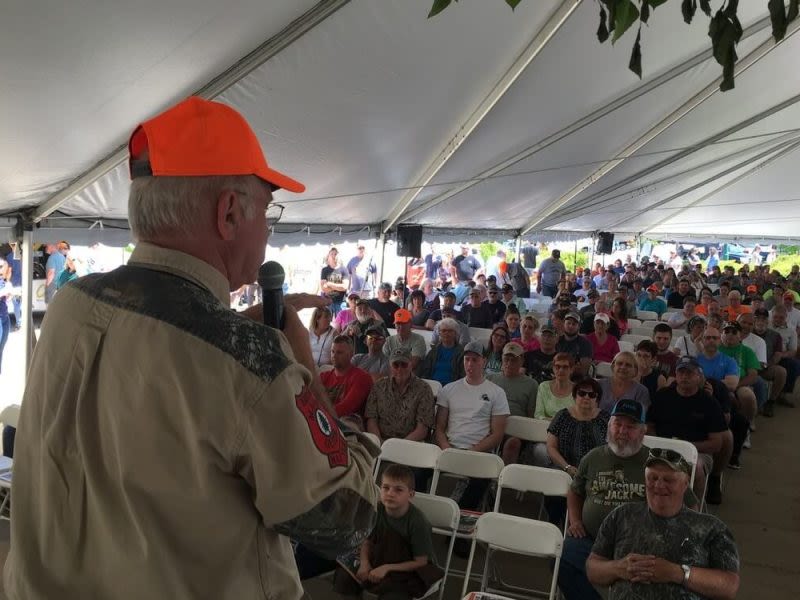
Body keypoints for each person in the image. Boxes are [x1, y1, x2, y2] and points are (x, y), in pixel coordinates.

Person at [4, 97, 378, 599]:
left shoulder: (71, 306)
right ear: (228, 213)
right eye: (267, 211)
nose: (269, 230)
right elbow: (345, 520)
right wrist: (301, 368)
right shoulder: (250, 360)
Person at [559, 400, 697, 600]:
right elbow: (575, 492)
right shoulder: (593, 457)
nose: (622, 431)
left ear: (643, 432)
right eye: (618, 424)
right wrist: (575, 520)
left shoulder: (659, 463)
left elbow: (691, 503)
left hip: (642, 545)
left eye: (631, 426)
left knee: (646, 575)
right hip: (593, 540)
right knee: (563, 557)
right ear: (609, 427)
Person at [586, 449, 740, 600]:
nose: (658, 485)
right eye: (652, 478)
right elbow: (593, 568)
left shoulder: (711, 529)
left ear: (685, 484)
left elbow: (729, 586)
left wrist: (676, 573)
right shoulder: (621, 515)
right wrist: (619, 568)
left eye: (668, 480)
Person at [335, 465, 439, 600]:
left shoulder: (418, 522)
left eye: (398, 490)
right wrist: (365, 563)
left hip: (405, 569)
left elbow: (420, 562)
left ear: (411, 495)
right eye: (386, 487)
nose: (390, 493)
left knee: (394, 596)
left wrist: (387, 568)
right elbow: (367, 540)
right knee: (345, 577)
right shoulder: (377, 510)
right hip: (379, 558)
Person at [434, 341, 509, 516]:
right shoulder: (449, 389)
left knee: (480, 481)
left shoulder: (497, 393)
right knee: (418, 471)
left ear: (484, 361)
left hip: (479, 452)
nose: (470, 364)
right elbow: (439, 427)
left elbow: (497, 435)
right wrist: (446, 448)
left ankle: (459, 522)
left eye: (475, 360)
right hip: (449, 449)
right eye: (467, 359)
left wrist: (472, 451)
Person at [647, 356, 728, 503]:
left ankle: (695, 510)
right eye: (681, 372)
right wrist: (657, 443)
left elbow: (716, 443)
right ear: (675, 375)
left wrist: (686, 447)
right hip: (660, 449)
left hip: (698, 453)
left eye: (689, 373)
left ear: (699, 376)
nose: (684, 376)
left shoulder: (709, 403)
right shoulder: (662, 396)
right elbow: (650, 425)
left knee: (696, 468)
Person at [365, 348, 435, 445]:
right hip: (380, 441)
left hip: (411, 443)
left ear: (411, 365)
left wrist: (397, 446)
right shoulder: (379, 386)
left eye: (404, 365)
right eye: (396, 365)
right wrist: (380, 442)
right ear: (390, 366)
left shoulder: (424, 390)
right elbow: (371, 419)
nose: (400, 369)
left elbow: (422, 430)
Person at [546, 377, 609, 475]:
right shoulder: (562, 416)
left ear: (597, 399)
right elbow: (551, 447)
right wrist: (567, 467)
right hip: (563, 469)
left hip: (598, 472)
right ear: (575, 396)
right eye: (582, 393)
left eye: (591, 395)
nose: (586, 397)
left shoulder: (606, 418)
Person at [488, 343, 539, 464]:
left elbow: (530, 414)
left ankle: (503, 478)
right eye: (506, 359)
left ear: (521, 361)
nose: (509, 363)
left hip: (515, 430)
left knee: (513, 443)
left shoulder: (531, 385)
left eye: (514, 360)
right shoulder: (490, 378)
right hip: (490, 425)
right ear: (502, 359)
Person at [320, 335, 374, 426]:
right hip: (324, 419)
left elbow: (346, 408)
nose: (334, 356)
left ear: (350, 355)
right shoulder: (323, 376)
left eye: (339, 352)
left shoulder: (362, 377)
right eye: (332, 352)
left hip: (349, 423)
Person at [417, 318, 465, 386]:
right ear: (439, 333)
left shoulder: (462, 353)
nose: (446, 333)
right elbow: (425, 372)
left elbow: (463, 376)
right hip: (432, 386)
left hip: (452, 387)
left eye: (450, 331)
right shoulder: (433, 352)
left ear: (455, 333)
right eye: (444, 330)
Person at [534, 352, 575, 419]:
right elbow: (538, 415)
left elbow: (580, 417)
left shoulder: (578, 390)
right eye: (557, 367)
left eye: (565, 367)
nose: (561, 370)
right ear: (553, 368)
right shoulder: (544, 387)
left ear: (571, 369)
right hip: (544, 427)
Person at [556, 310, 593, 378]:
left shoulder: (585, 344)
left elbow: (583, 371)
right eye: (568, 323)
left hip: (576, 381)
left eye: (574, 324)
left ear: (579, 327)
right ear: (564, 324)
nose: (571, 326)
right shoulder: (557, 341)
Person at [320, 247, 349, 317]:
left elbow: (345, 287)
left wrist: (329, 284)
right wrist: (339, 286)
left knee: (342, 325)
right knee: (326, 323)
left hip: (341, 302)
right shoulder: (324, 270)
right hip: (328, 302)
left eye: (335, 254)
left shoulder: (344, 269)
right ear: (328, 256)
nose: (334, 256)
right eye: (331, 254)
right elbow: (324, 288)